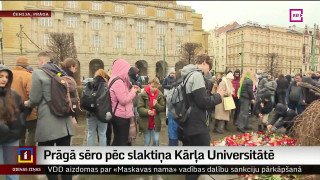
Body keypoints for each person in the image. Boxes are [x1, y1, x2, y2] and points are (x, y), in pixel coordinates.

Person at [24, 51, 75, 180]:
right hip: (65, 122)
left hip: (48, 122)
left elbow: (35, 98)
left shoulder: (38, 72)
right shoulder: (59, 72)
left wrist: (27, 103)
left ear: (41, 61)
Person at [181, 54, 223, 180]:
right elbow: (203, 102)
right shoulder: (197, 75)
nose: (208, 72)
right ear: (204, 62)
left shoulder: (186, 74)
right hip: (197, 124)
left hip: (187, 122)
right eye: (208, 68)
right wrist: (218, 96)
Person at [0, 64, 26, 180]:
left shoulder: (13, 94)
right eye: (1, 76)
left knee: (12, 171)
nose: (4, 79)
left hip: (11, 138)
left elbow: (20, 113)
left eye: (6, 77)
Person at [109, 59, 137, 146]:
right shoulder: (118, 82)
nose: (127, 71)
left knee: (117, 139)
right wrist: (133, 92)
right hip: (121, 115)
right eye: (126, 69)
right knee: (122, 141)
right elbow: (123, 100)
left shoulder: (113, 78)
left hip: (117, 113)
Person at [11, 56, 37, 146]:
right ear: (26, 65)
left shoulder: (9, 75)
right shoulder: (28, 76)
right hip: (27, 110)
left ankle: (20, 156)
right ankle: (27, 157)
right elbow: (32, 95)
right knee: (32, 132)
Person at [138, 77, 166, 146]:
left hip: (156, 123)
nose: (154, 88)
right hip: (146, 122)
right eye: (152, 86)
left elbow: (163, 108)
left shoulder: (160, 95)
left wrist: (156, 105)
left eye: (156, 87)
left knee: (156, 140)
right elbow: (139, 108)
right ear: (148, 85)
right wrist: (147, 111)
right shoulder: (142, 94)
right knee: (147, 141)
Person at [86, 69, 110, 146]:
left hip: (90, 112)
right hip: (103, 113)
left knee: (90, 133)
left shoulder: (90, 84)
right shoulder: (107, 86)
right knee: (102, 134)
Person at [167, 70, 182, 146]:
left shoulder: (174, 87)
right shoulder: (181, 87)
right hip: (177, 115)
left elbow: (169, 102)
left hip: (172, 115)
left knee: (173, 137)